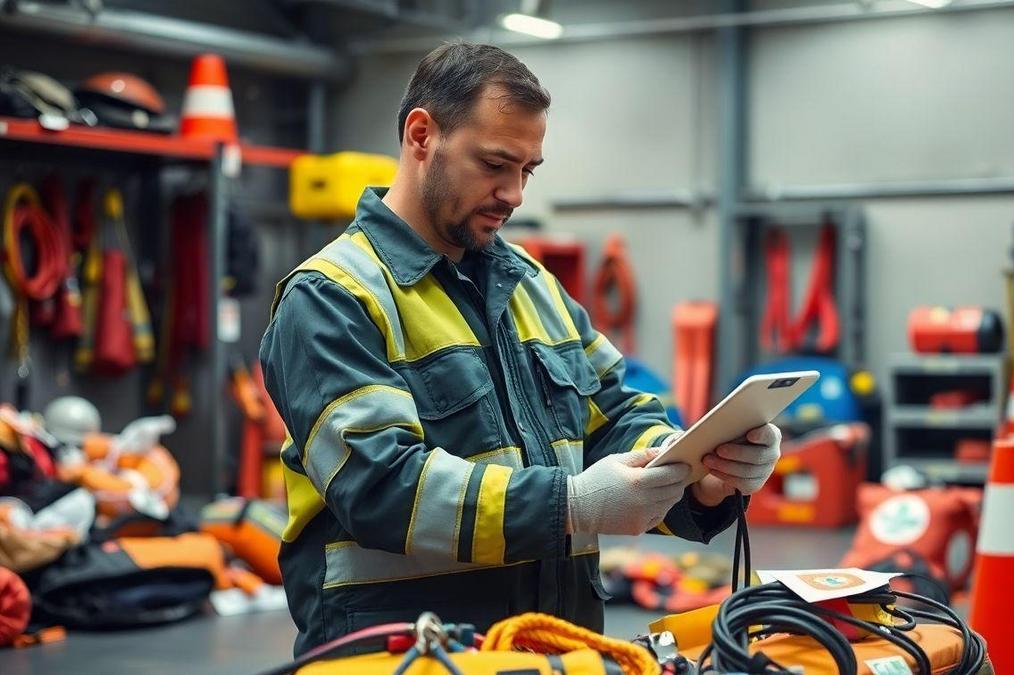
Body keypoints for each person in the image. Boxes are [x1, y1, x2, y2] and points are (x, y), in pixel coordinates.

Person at [259, 42, 782, 656]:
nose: (514, 193)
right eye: (494, 164)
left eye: (527, 170)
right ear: (421, 135)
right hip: (410, 654)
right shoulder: (331, 298)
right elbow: (382, 487)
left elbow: (615, 418)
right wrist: (572, 503)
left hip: (559, 646)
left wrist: (702, 473)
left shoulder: (531, 285)